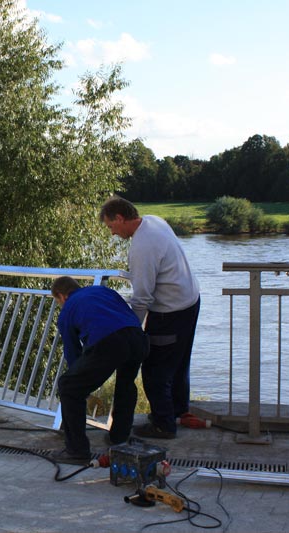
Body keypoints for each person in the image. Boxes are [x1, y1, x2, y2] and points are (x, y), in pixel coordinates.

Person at [99, 196, 201, 439]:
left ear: (120, 218)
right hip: (190, 301)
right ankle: (178, 410)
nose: (113, 234)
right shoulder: (155, 221)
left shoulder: (141, 248)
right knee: (178, 363)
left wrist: (131, 330)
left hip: (170, 312)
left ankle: (163, 425)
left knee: (155, 370)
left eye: (111, 227)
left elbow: (142, 297)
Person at [46, 276, 149, 464]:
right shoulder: (103, 291)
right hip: (137, 338)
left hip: (110, 342)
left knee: (68, 386)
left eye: (57, 301)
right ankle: (119, 437)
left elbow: (73, 354)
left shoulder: (68, 309)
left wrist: (81, 385)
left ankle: (76, 451)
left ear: (61, 296)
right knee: (126, 385)